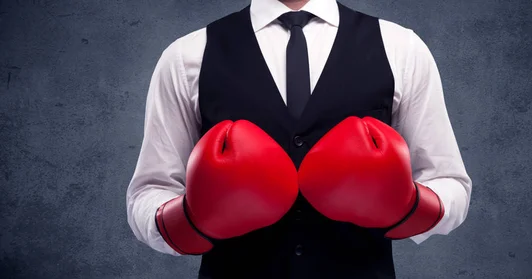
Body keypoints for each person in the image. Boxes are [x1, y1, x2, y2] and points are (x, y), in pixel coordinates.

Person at [126, 0, 473, 278]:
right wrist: (188, 219)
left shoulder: (400, 47)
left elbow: (449, 182)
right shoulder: (187, 55)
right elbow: (149, 192)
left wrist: (407, 205)